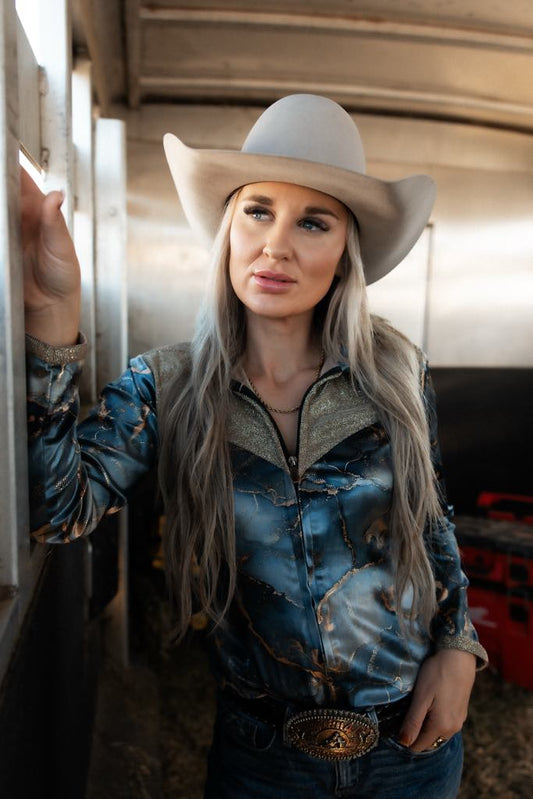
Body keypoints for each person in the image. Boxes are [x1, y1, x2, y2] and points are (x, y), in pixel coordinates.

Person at [23, 94, 487, 798]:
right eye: (258, 209)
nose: (276, 244)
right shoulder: (166, 385)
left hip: (411, 749)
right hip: (262, 759)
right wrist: (53, 313)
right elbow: (59, 508)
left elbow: (431, 522)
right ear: (228, 228)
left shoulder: (394, 372)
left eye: (313, 221)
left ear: (343, 252)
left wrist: (458, 646)